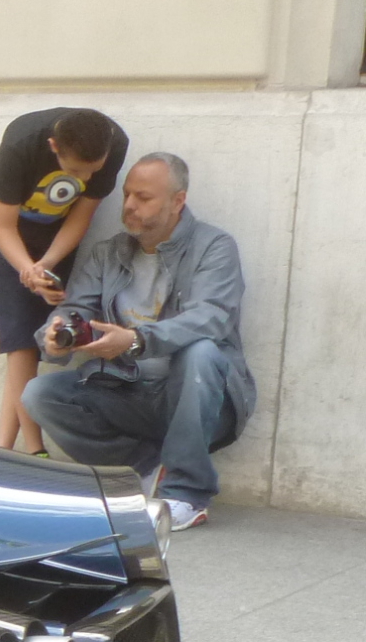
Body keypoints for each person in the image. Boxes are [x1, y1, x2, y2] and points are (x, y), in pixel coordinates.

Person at [23, 153, 254, 530]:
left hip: (197, 395)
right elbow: (75, 308)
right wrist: (57, 335)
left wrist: (136, 341)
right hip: (125, 388)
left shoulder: (214, 246)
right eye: (128, 195)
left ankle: (186, 494)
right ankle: (146, 470)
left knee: (200, 351)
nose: (128, 205)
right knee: (39, 393)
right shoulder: (107, 253)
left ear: (177, 201)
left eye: (143, 198)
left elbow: (210, 317)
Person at [0, 107, 125, 452]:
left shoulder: (114, 143)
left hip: (59, 231)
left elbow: (83, 213)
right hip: (8, 227)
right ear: (53, 147)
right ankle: (28, 448)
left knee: (36, 332)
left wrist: (46, 262)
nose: (86, 179)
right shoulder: (21, 146)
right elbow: (2, 227)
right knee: (18, 336)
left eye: (95, 170)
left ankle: (8, 450)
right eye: (75, 171)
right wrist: (26, 268)